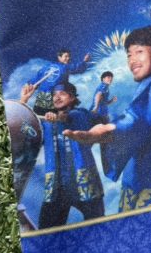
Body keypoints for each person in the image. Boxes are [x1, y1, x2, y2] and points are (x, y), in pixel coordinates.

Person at [65, 26, 151, 212]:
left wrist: (107, 131)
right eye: (129, 55)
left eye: (139, 52)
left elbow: (137, 119)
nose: (132, 61)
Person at [36, 82, 105, 228]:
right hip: (56, 187)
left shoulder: (81, 115)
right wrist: (23, 101)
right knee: (45, 231)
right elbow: (26, 132)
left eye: (62, 94)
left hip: (84, 184)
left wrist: (60, 118)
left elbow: (69, 118)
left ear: (72, 97)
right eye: (54, 95)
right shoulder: (46, 123)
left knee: (98, 228)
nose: (57, 97)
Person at [20, 48, 91, 178]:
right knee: (54, 123)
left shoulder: (46, 68)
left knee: (41, 124)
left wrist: (28, 86)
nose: (68, 59)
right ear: (59, 57)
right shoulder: (64, 68)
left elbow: (34, 80)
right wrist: (85, 62)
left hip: (43, 99)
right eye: (65, 56)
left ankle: (31, 144)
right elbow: (77, 68)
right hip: (53, 99)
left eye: (69, 57)